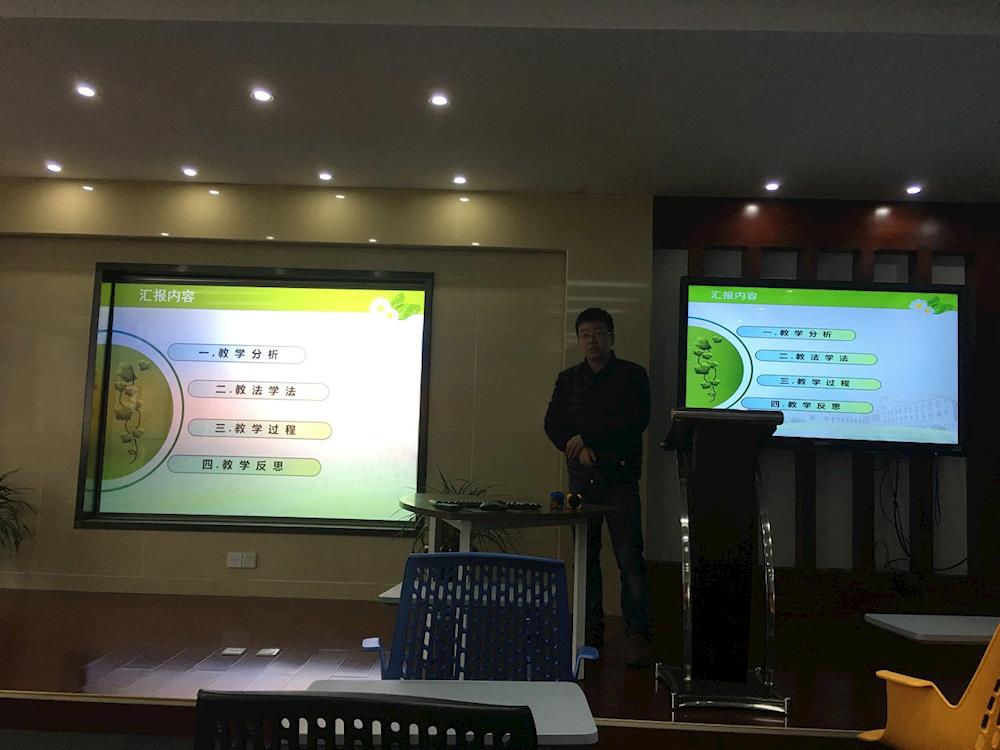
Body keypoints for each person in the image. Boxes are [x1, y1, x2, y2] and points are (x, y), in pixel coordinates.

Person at [544, 307, 653, 668]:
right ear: (578, 340)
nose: (592, 340)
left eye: (599, 333)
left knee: (629, 559)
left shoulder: (632, 375)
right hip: (581, 480)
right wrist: (576, 445)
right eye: (585, 334)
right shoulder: (568, 379)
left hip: (620, 480)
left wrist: (587, 437)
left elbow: (634, 420)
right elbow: (553, 423)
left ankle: (638, 634)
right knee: (585, 559)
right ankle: (589, 631)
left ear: (611, 337)